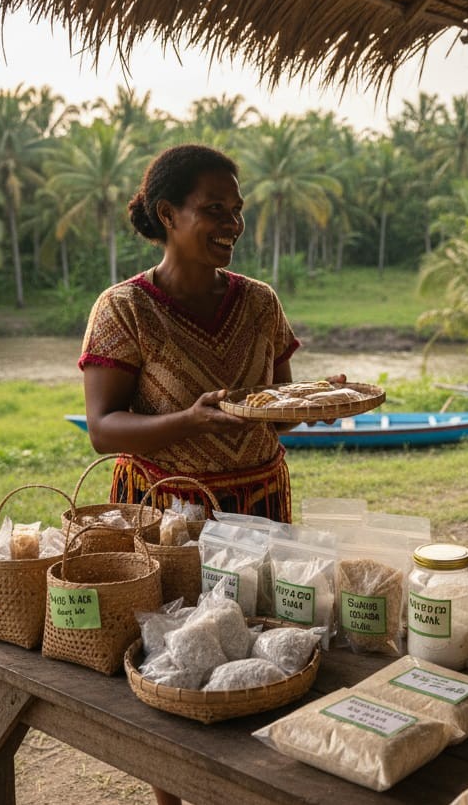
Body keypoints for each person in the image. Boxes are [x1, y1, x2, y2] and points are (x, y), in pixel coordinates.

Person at [80, 143, 331, 805]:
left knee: (266, 656)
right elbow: (105, 427)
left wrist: (317, 406)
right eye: (213, 208)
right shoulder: (124, 308)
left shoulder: (259, 302)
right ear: (167, 213)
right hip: (171, 517)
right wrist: (186, 423)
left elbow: (277, 412)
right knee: (178, 664)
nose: (233, 222)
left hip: (261, 508)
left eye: (238, 208)